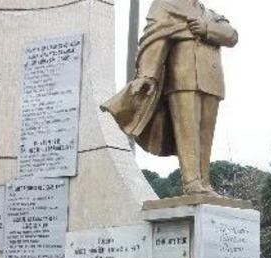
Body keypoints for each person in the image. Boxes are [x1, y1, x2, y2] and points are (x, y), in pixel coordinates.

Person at [102, 0, 238, 195]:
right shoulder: (165, 4)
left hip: (212, 81)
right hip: (182, 77)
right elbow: (154, 39)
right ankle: (192, 183)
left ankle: (205, 183)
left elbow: (232, 36)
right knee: (187, 131)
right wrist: (147, 74)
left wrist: (206, 28)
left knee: (206, 135)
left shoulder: (210, 14)